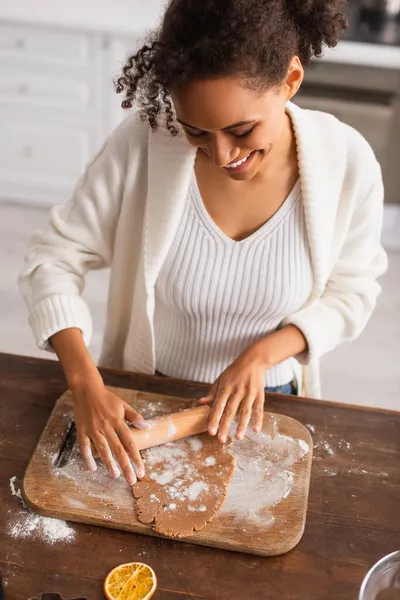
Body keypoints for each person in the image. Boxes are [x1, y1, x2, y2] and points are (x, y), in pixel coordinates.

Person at [19, 0, 387, 487]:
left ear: (291, 80)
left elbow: (352, 292)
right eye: (196, 131)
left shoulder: (349, 164)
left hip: (269, 398)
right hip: (144, 394)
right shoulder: (144, 144)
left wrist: (259, 358)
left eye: (242, 130)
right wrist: (85, 382)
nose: (222, 155)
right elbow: (54, 258)